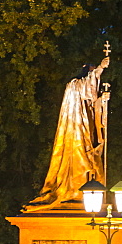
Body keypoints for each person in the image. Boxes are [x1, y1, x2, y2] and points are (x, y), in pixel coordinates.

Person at [28, 53, 110, 208]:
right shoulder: (74, 85)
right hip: (78, 130)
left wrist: (103, 100)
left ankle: (84, 191)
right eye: (91, 71)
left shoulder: (80, 89)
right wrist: (100, 69)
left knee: (89, 157)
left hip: (85, 128)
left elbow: (93, 99)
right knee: (81, 158)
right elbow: (89, 86)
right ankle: (75, 190)